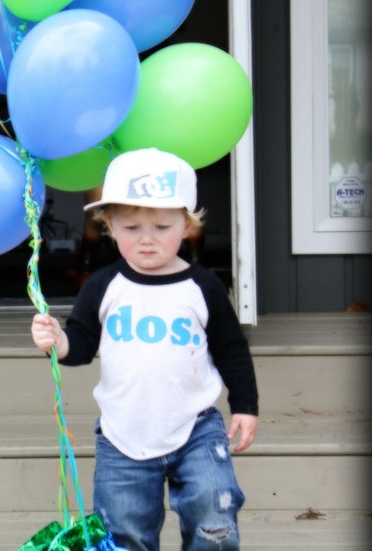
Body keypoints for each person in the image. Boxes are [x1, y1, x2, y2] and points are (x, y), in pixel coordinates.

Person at [31, 148, 258, 551]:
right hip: (123, 434)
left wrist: (245, 404)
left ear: (186, 226)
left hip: (197, 427)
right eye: (132, 227)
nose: (147, 239)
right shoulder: (103, 286)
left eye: (161, 226)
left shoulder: (202, 286)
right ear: (110, 227)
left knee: (213, 512)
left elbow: (232, 350)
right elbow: (81, 345)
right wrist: (57, 340)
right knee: (124, 529)